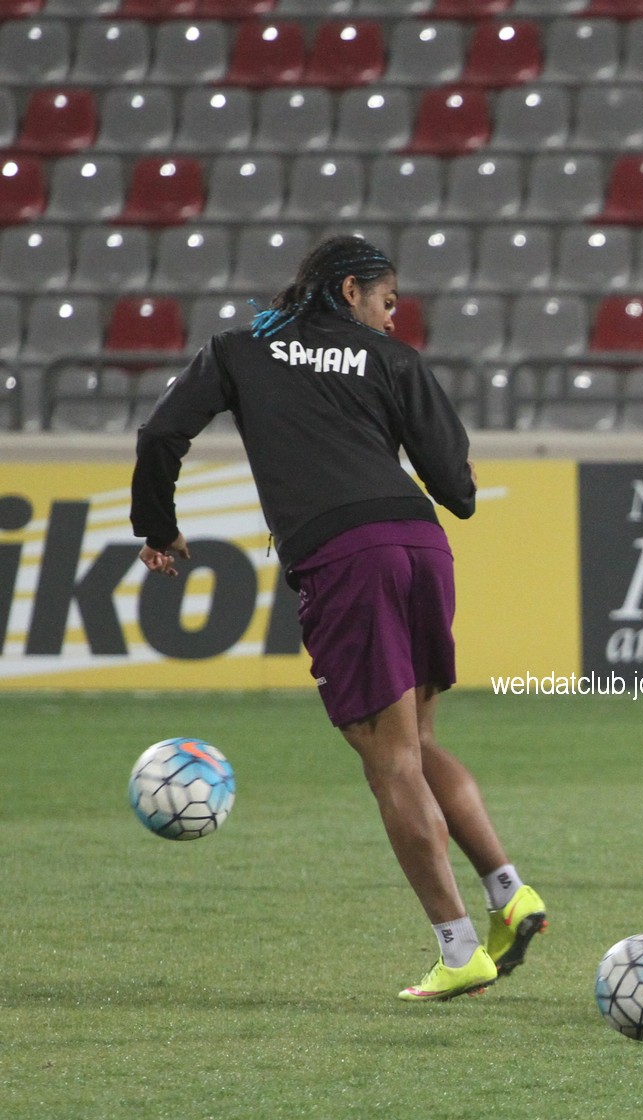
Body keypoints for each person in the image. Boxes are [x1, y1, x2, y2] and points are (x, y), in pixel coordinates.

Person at [131, 235, 546, 1003]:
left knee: (389, 760)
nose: (391, 318)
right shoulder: (392, 360)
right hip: (422, 545)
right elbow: (456, 488)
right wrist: (445, 470)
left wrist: (158, 526)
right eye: (387, 302)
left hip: (346, 557)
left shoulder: (239, 349)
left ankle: (459, 949)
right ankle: (509, 891)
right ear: (351, 290)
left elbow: (161, 432)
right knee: (418, 743)